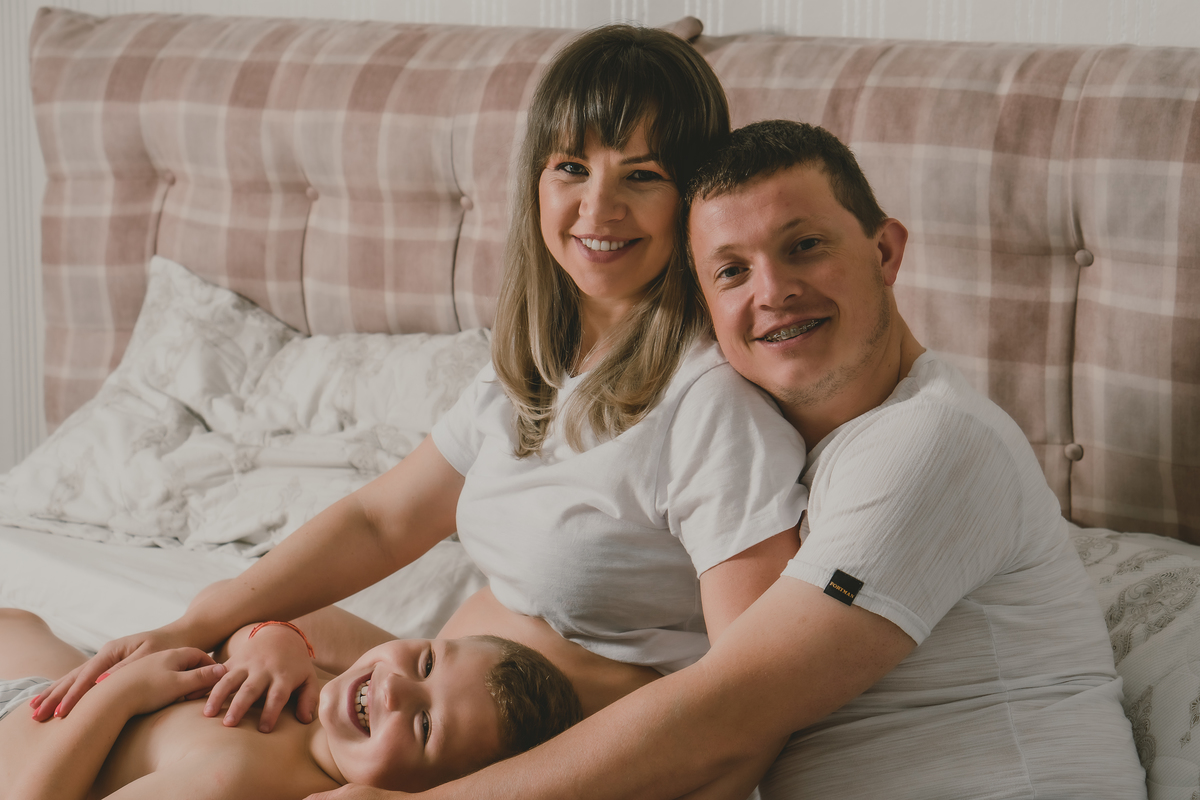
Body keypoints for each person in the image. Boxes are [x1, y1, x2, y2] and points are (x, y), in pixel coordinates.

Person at [36, 24, 808, 793]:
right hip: (417, 743)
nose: (597, 206)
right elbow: (380, 521)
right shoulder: (534, 371)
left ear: (692, 197)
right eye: (571, 167)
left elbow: (747, 706)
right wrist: (201, 627)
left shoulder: (711, 409)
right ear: (536, 182)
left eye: (641, 176)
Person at [315, 119, 1147, 800]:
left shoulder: (932, 443)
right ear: (704, 307)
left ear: (886, 251)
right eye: (732, 271)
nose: (771, 292)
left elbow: (728, 706)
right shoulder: (768, 455)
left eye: (805, 246)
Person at [0, 607, 579, 799]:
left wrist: (121, 695)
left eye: (426, 725)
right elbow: (267, 614)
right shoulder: (329, 686)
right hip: (46, 693)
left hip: (23, 756)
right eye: (426, 662)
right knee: (18, 621)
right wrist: (274, 639)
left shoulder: (235, 781)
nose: (395, 688)